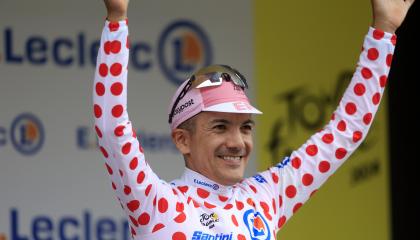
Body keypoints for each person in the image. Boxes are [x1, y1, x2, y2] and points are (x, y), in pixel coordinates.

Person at [93, 0, 415, 239]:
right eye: (220, 126)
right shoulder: (156, 203)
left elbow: (347, 130)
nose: (238, 142)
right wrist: (117, 21)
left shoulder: (265, 196)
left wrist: (383, 31)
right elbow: (111, 127)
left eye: (245, 127)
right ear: (182, 139)